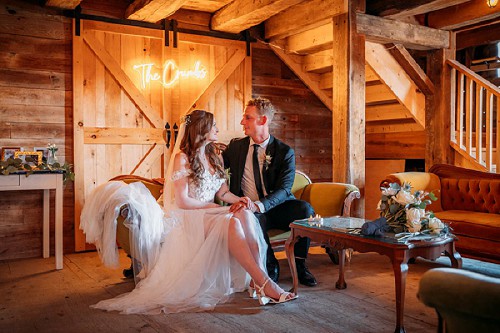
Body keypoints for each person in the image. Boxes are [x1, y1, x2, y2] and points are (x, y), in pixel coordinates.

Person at [87, 110, 296, 315]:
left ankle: (257, 281)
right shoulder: (182, 158)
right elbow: (183, 201)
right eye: (213, 125)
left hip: (209, 213)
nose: (217, 129)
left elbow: (223, 192)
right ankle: (265, 284)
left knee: (244, 213)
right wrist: (216, 208)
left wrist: (239, 200)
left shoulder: (215, 157)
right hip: (188, 214)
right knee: (230, 221)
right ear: (202, 129)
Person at [222, 97, 317, 287]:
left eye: (247, 118)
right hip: (249, 209)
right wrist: (188, 175)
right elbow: (213, 170)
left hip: (277, 206)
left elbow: (284, 189)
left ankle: (300, 264)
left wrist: (261, 205)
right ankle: (270, 266)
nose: (242, 122)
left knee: (305, 210)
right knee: (252, 218)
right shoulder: (236, 147)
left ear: (263, 120)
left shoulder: (284, 152)